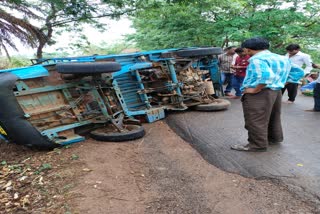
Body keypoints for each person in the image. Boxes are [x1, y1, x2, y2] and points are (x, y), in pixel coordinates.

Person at [231, 37, 304, 152]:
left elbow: (265, 76)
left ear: (248, 49)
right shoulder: (281, 58)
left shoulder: (256, 59)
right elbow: (299, 72)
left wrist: (254, 90)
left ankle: (257, 145)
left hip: (260, 93)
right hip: (276, 92)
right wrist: (281, 82)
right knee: (273, 116)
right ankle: (274, 138)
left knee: (255, 119)